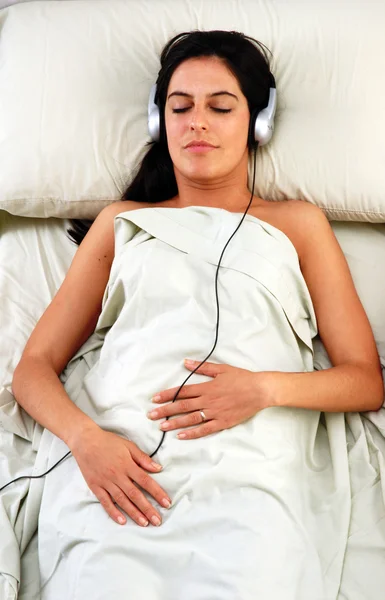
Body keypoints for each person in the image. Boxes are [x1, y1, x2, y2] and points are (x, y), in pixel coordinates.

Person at [11, 30, 383, 598]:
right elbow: (33, 366)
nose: (197, 122)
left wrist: (262, 389)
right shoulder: (121, 222)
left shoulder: (300, 225)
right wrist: (87, 443)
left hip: (252, 462)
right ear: (160, 123)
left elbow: (363, 381)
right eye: (179, 107)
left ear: (258, 123)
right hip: (123, 458)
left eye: (220, 107)